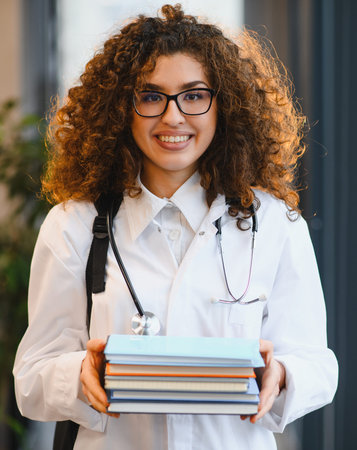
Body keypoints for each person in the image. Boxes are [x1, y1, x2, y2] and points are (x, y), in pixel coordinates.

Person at [13, 4, 338, 449]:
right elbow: (31, 378)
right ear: (120, 110)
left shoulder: (275, 225)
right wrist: (77, 375)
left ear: (223, 105)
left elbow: (318, 364)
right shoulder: (74, 225)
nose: (172, 117)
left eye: (194, 95)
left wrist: (282, 374)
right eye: (150, 96)